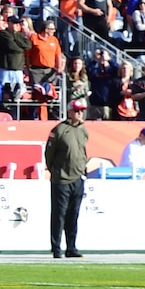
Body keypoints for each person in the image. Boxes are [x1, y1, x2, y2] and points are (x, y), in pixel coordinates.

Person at [44, 100, 88, 257]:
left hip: (78, 178)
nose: (79, 114)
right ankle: (56, 247)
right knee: (59, 214)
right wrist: (55, 171)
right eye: (76, 111)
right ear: (69, 112)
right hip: (62, 179)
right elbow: (49, 154)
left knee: (73, 214)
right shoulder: (59, 130)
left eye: (81, 111)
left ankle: (71, 247)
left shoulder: (83, 130)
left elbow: (83, 152)